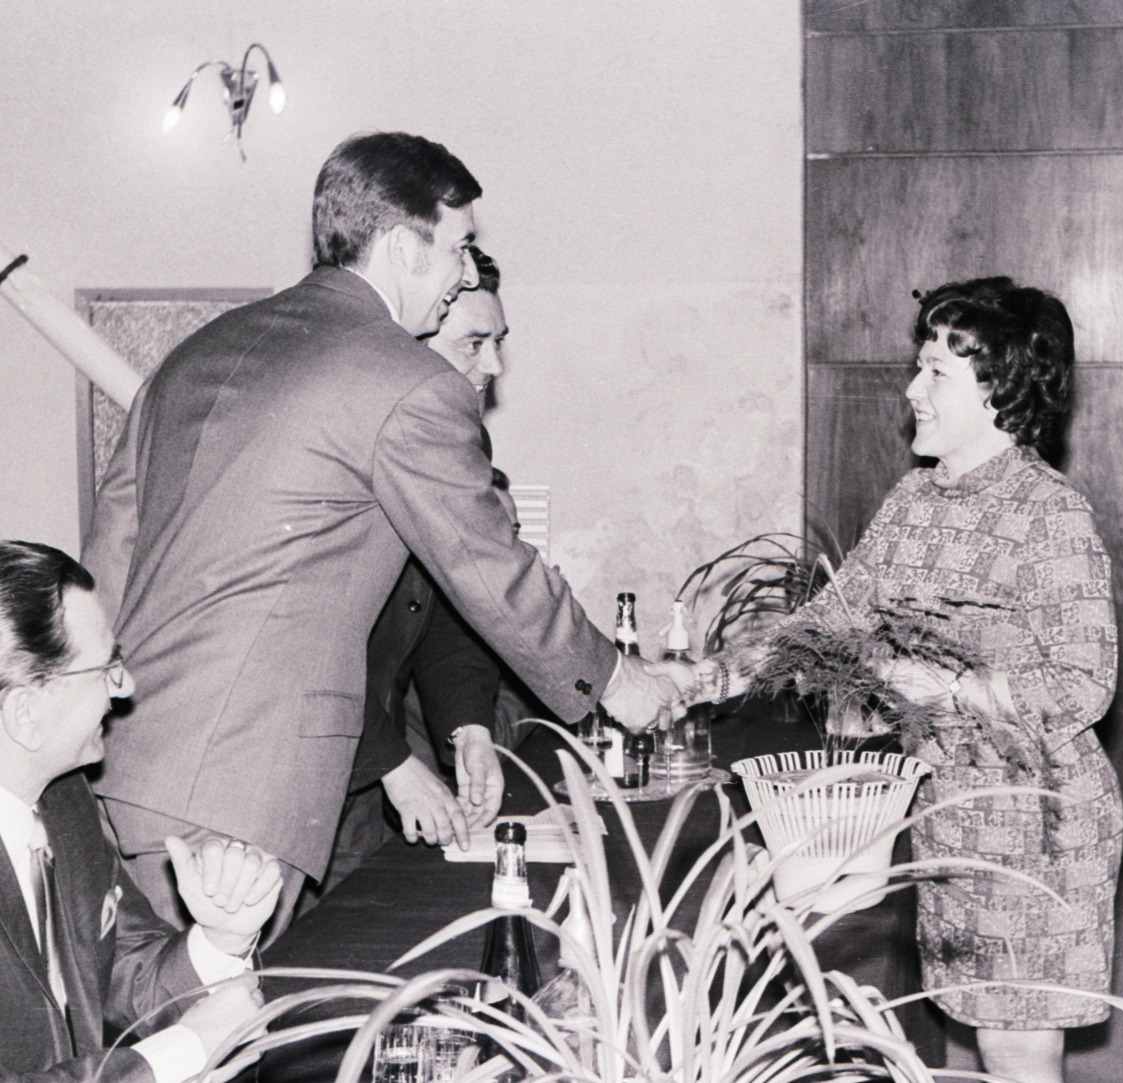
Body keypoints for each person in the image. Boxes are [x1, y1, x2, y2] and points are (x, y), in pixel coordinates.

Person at [81, 131, 683, 938]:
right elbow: (488, 565)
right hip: (241, 784)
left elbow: (107, 562)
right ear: (403, 246)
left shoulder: (197, 352)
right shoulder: (405, 379)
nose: (465, 274)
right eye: (459, 248)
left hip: (124, 757)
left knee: (152, 1033)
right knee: (206, 1029)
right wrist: (618, 683)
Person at [689, 278, 1122, 1083]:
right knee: (966, 1029)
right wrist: (699, 677)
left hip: (1035, 828)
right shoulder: (913, 500)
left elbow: (1082, 683)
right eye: (916, 368)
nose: (910, 390)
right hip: (948, 816)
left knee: (1017, 1049)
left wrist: (943, 689)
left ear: (999, 389)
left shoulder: (1049, 514)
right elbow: (828, 621)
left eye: (935, 373)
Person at [0, 541, 282, 1083]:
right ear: (25, 713)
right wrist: (185, 1049)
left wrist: (221, 937)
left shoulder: (65, 802)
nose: (124, 687)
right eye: (105, 668)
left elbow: (130, 980)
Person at [323, 245, 514, 898]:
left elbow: (449, 609)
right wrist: (397, 763)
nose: (492, 367)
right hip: (289, 763)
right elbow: (303, 640)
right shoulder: (343, 436)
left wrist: (469, 729)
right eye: (473, 343)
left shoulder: (457, 445)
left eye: (498, 343)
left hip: (363, 764)